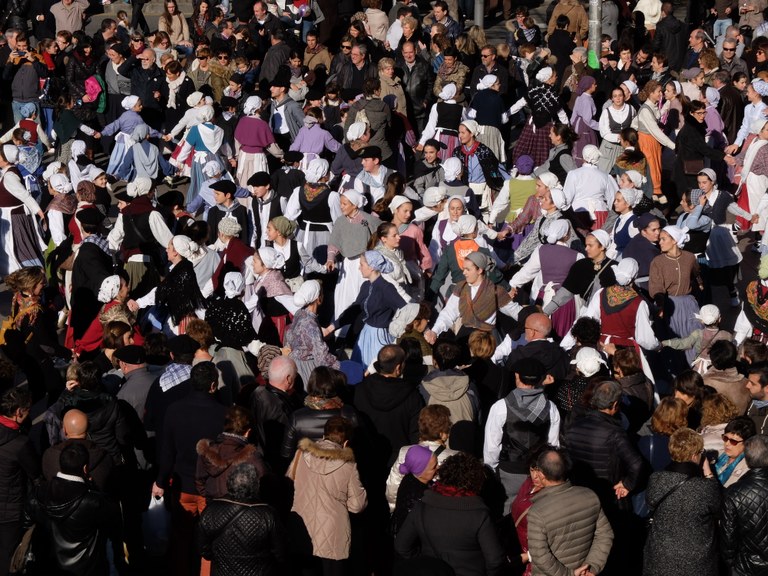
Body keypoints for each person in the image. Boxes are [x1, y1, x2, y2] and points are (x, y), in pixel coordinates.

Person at [395, 452, 508, 576]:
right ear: (475, 481)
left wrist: (426, 563)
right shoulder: (480, 515)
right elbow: (495, 560)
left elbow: (401, 546)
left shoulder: (422, 506)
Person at [289, 416, 367, 576]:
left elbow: (289, 482)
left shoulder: (301, 454)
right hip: (333, 532)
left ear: (324, 436)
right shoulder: (348, 465)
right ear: (345, 443)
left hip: (301, 527)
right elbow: (357, 505)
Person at [30, 443, 121, 576]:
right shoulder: (94, 501)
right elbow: (114, 526)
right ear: (85, 469)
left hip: (48, 566)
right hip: (87, 568)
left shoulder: (38, 494)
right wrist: (91, 486)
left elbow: (27, 523)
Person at [483, 358, 560, 510]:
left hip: (508, 470)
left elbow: (492, 446)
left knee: (507, 512)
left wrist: (491, 471)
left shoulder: (500, 407)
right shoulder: (551, 408)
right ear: (540, 380)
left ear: (517, 376)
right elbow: (553, 444)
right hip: (538, 472)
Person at [642, 427, 721, 576]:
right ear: (693, 456)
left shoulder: (656, 478)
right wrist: (707, 471)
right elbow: (718, 509)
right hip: (697, 561)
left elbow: (651, 504)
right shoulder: (705, 487)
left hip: (660, 556)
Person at [525, 447, 614, 576]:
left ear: (542, 475)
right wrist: (591, 567)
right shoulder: (590, 495)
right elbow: (605, 535)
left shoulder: (536, 512)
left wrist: (569, 574)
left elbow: (540, 555)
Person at [198, 461, 286, 575]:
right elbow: (281, 553)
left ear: (229, 483)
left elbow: (203, 549)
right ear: (256, 485)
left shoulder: (211, 510)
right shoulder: (268, 514)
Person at [354, 344, 423, 467]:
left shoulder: (360, 389)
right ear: (398, 368)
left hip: (366, 458)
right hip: (399, 461)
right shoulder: (412, 396)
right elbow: (416, 433)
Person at [720, 434, 768, 575]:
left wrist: (732, 566)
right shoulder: (734, 493)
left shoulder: (734, 492)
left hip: (745, 567)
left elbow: (728, 538)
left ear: (747, 459)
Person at [716, 416, 756, 487]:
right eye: (725, 438)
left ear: (746, 443)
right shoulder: (718, 455)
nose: (727, 443)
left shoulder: (748, 468)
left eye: (733, 441)